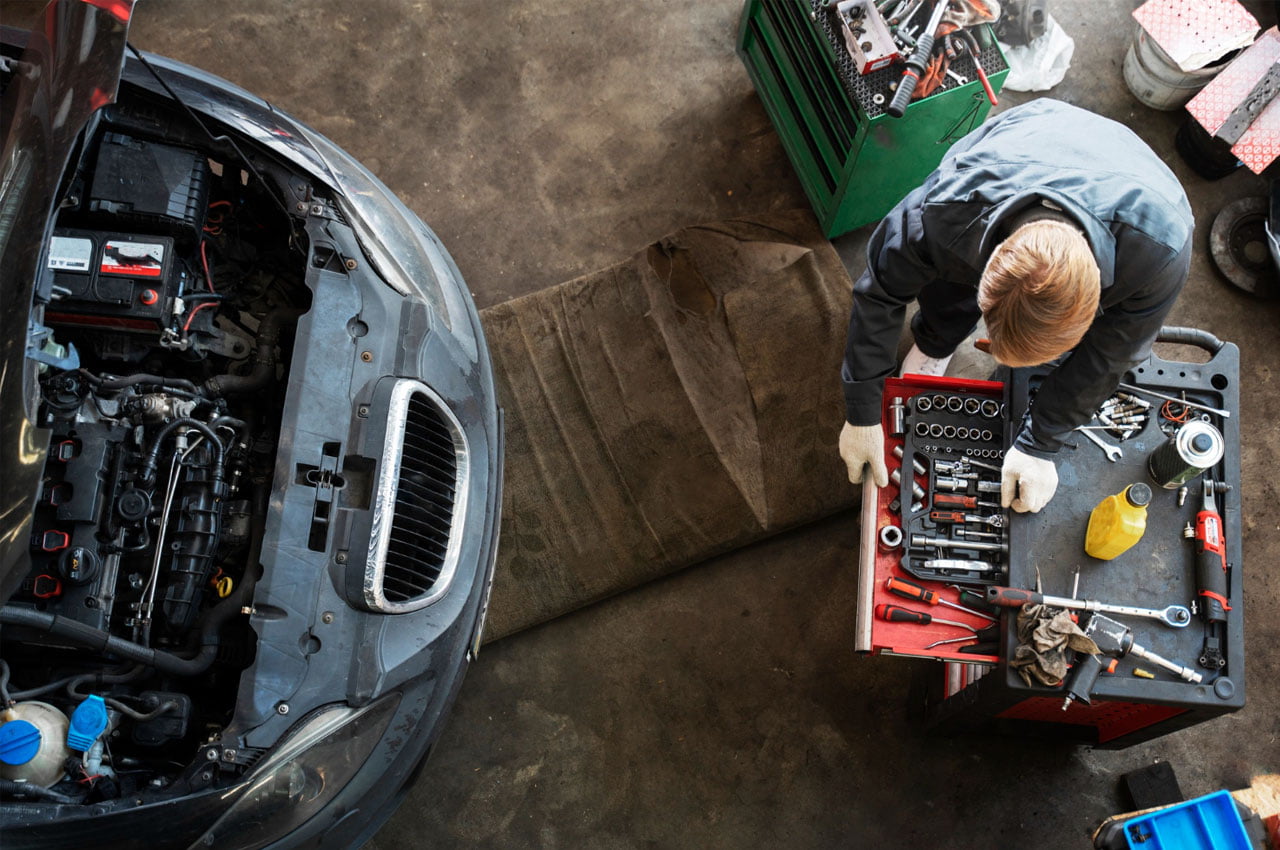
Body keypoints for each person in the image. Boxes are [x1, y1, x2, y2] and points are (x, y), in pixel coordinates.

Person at [838, 99, 1193, 513]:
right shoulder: (945, 209)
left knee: (1112, 354)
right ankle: (937, 341)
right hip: (1032, 134)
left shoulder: (1160, 255)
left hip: (1137, 182)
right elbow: (880, 291)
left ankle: (944, 337)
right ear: (987, 269)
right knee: (947, 289)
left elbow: (1107, 357)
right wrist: (863, 408)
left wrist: (1041, 443)